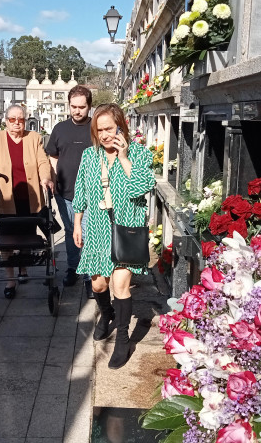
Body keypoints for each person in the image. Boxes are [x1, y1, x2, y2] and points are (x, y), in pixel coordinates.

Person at [72, 103, 155, 369]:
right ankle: (106, 314)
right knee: (98, 285)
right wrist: (77, 223)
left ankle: (122, 339)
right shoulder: (89, 156)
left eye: (109, 128)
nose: (105, 135)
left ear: (121, 125)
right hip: (97, 229)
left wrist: (123, 157)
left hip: (126, 229)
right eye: (100, 130)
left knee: (120, 286)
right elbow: (81, 190)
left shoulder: (140, 154)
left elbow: (141, 188)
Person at [0, 104, 54, 299]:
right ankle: (10, 279)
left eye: (21, 119)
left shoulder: (34, 138)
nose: (17, 123)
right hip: (7, 199)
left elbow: (43, 162)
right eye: (12, 120)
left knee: (27, 236)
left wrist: (46, 178)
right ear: (6, 121)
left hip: (30, 199)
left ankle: (23, 268)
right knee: (8, 241)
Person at [45, 85, 94, 298]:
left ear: (89, 106)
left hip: (92, 193)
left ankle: (90, 276)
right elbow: (53, 155)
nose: (77, 111)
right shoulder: (59, 129)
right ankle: (73, 268)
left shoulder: (96, 128)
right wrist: (54, 178)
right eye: (73, 106)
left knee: (88, 233)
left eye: (81, 107)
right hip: (64, 191)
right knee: (70, 232)